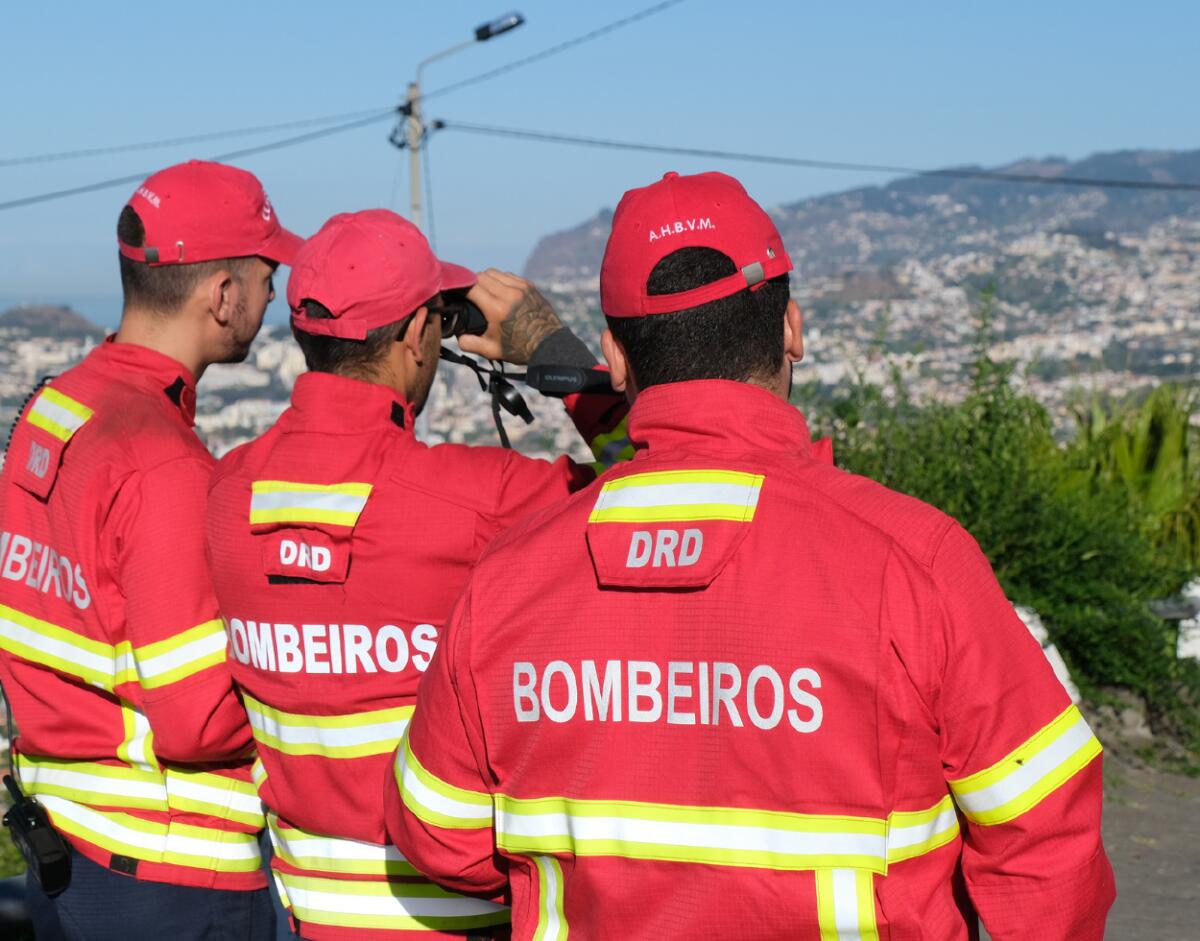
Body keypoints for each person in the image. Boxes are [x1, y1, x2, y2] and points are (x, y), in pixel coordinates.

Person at [383, 171, 1116, 940]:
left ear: (619, 359)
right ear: (791, 328)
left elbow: (441, 831)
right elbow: (1047, 849)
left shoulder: (509, 580)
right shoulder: (912, 564)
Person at [203, 208, 627, 940]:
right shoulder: (482, 498)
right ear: (415, 335)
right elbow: (653, 487)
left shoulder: (226, 490)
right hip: (465, 910)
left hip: (308, 909)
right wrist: (557, 356)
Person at [0, 160, 301, 939]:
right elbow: (197, 718)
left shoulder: (56, 407)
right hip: (168, 874)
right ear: (222, 295)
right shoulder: (165, 464)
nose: (276, 295)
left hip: (66, 844)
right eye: (267, 273)